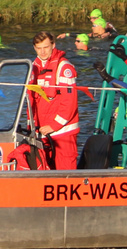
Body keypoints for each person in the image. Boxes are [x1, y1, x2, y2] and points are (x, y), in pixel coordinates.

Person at [29, 31, 80, 170]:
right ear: (34, 48)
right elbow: (31, 100)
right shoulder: (33, 67)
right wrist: (32, 126)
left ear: (53, 45)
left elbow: (69, 103)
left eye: (46, 47)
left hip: (63, 131)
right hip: (42, 131)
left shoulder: (64, 68)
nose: (43, 51)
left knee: (66, 172)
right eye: (39, 48)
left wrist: (54, 125)